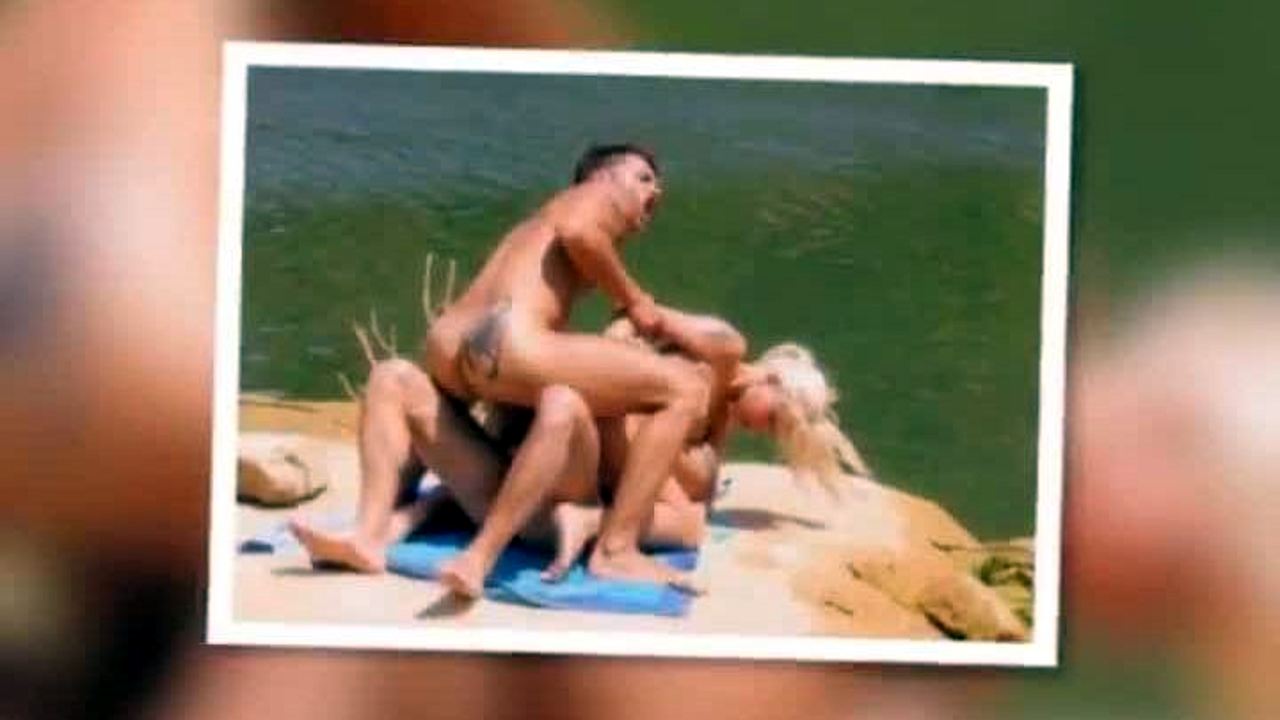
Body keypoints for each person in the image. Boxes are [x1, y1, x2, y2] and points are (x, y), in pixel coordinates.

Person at [423, 143, 715, 588]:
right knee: (685, 388)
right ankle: (617, 550)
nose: (655, 191)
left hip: (450, 341)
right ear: (603, 176)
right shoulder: (593, 196)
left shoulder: (535, 224)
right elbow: (580, 233)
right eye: (643, 178)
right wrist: (634, 300)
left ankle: (389, 523)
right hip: (509, 341)